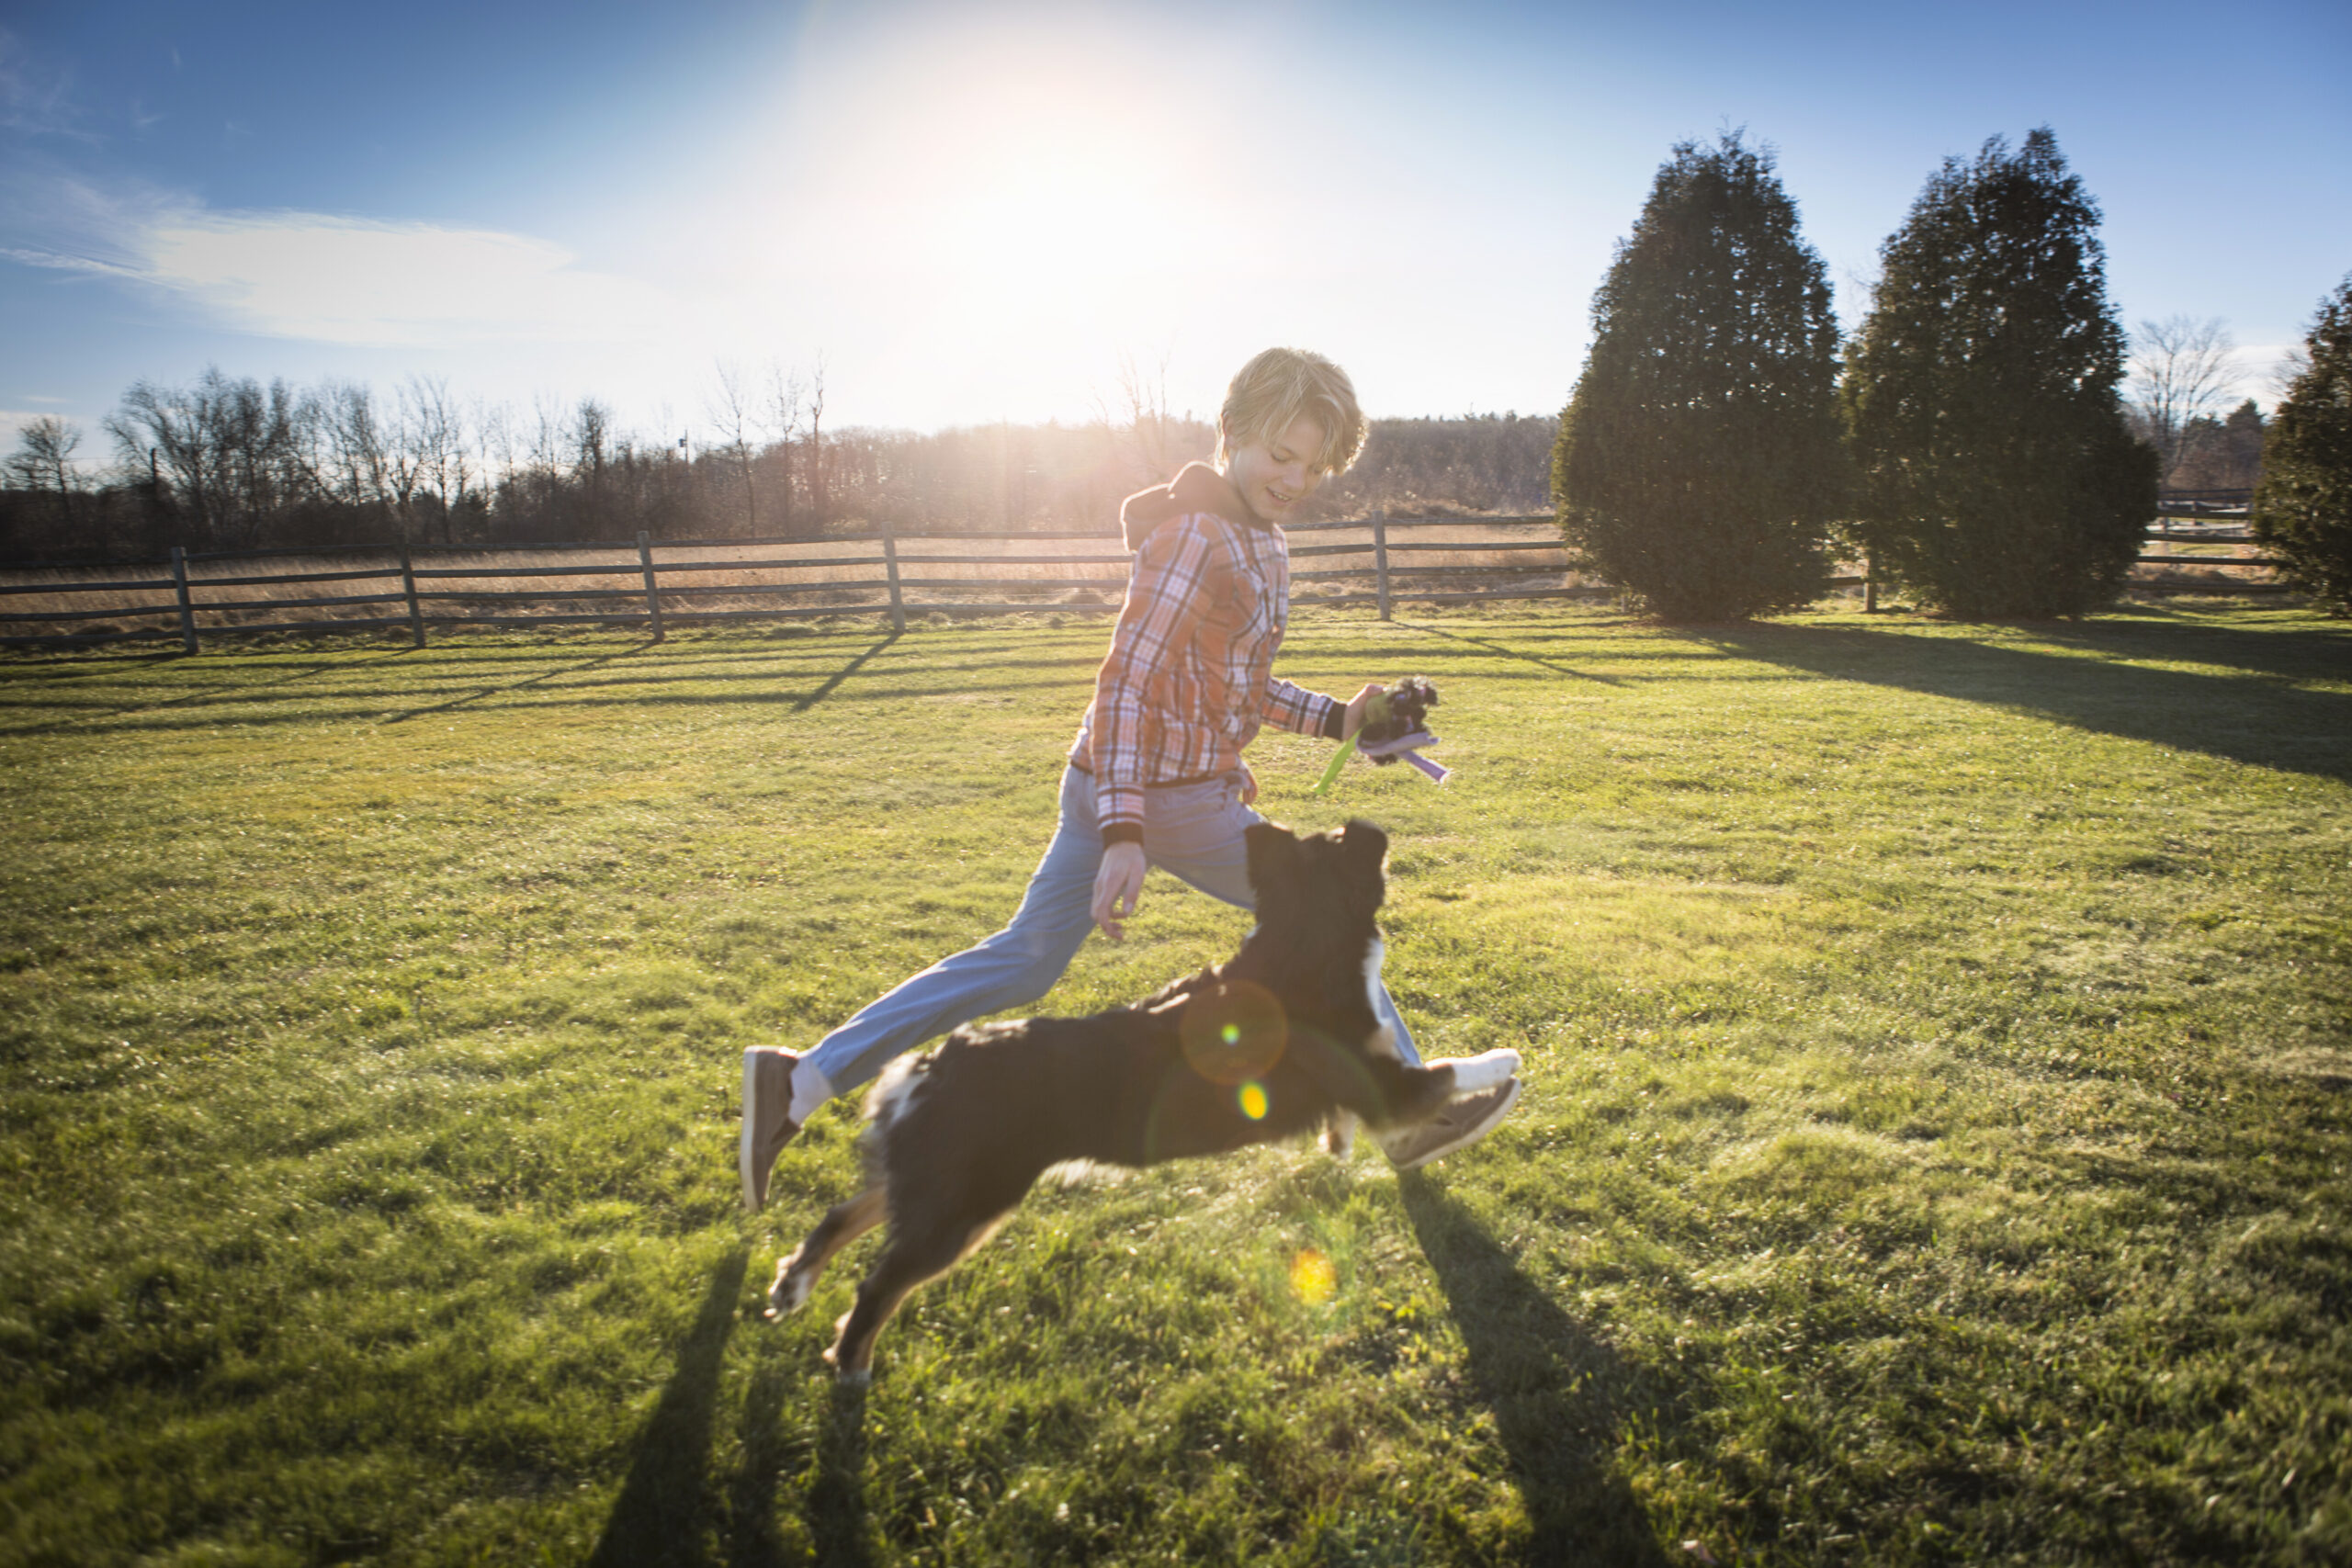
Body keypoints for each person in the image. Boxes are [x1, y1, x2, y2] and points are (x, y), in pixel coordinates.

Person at [741, 347, 1522, 1212]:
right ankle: (1402, 1109)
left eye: (1312, 464)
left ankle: (799, 1081)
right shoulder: (1194, 535)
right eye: (1279, 454)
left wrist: (1343, 717)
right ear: (1232, 434)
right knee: (1331, 915)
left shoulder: (1257, 537)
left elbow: (1239, 684)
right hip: (1163, 801)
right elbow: (1127, 683)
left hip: (1110, 781)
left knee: (1024, 961)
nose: (1293, 478)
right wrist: (1127, 832)